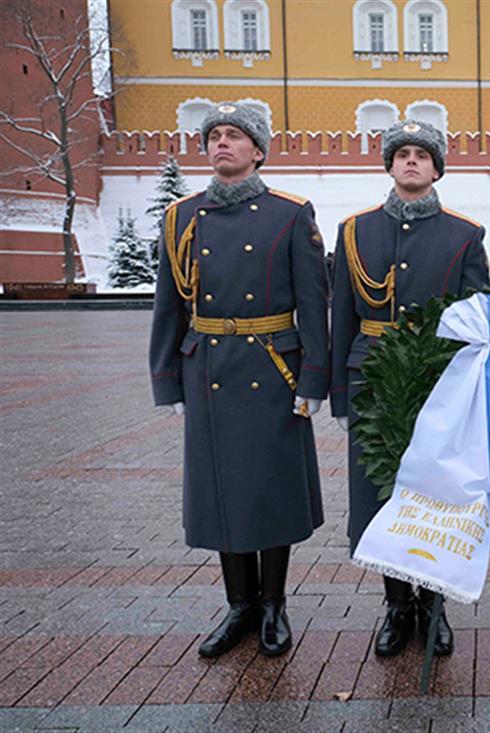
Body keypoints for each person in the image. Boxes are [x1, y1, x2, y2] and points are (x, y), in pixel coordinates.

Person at [149, 102, 330, 658]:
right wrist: (169, 379)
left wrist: (313, 380)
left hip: (272, 367)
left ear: (258, 150)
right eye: (215, 136)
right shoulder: (181, 216)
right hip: (208, 367)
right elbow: (168, 304)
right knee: (222, 490)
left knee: (269, 487)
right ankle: (239, 605)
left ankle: (273, 604)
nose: (222, 143)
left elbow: (312, 303)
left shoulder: (290, 214)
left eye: (235, 136)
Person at [330, 119, 490, 658]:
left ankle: (435, 607)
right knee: (381, 494)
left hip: (438, 380)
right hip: (371, 377)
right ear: (390, 165)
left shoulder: (464, 235)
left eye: (423, 154)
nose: (412, 161)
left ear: (437, 167)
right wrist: (339, 392)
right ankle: (398, 605)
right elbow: (342, 317)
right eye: (402, 154)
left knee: (437, 496)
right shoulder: (355, 231)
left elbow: (474, 323)